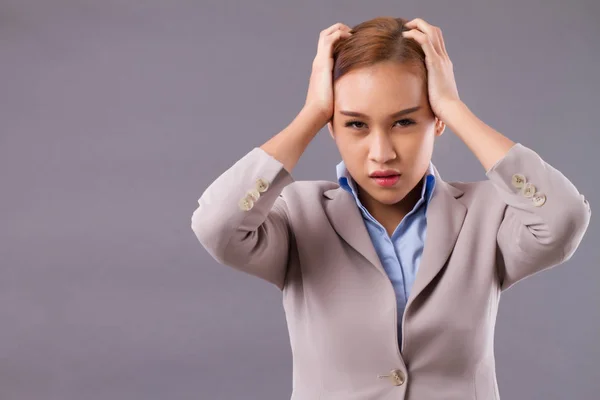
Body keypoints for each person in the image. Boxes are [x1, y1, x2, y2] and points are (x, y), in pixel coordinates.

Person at [191, 16, 591, 400]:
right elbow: (217, 226)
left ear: (435, 122)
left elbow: (564, 219)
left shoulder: (487, 214)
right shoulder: (298, 215)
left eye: (404, 122)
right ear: (331, 126)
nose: (381, 154)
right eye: (356, 125)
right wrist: (312, 113)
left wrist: (452, 106)